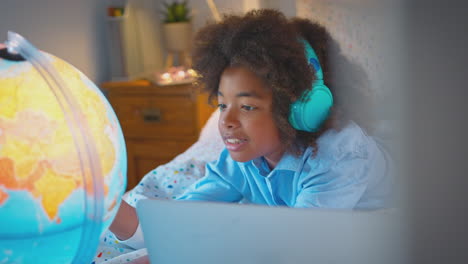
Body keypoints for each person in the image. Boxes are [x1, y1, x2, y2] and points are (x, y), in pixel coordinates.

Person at [109, 8, 392, 251]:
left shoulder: (340, 155)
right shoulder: (241, 159)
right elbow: (177, 222)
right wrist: (108, 208)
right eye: (221, 105)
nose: (227, 121)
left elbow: (301, 246)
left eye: (247, 107)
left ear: (297, 107)